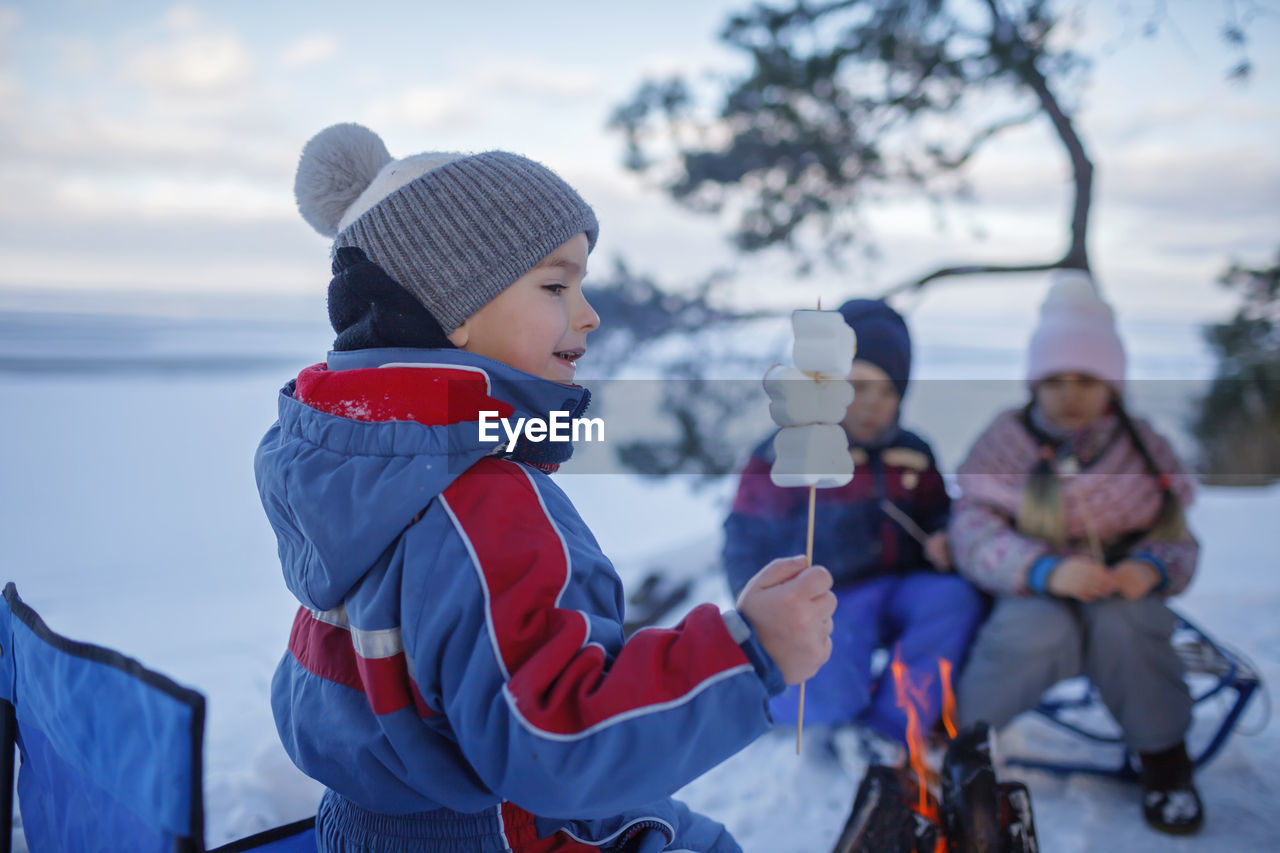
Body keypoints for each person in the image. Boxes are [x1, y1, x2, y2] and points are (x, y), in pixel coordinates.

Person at [256, 123, 836, 852]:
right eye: (556, 285)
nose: (589, 314)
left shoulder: (358, 467)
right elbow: (553, 739)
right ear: (454, 309)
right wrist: (750, 651)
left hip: (373, 823)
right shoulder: (480, 499)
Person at [949, 269, 1204, 835]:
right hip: (1035, 586)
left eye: (1086, 379)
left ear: (1112, 383)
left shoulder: (1141, 444)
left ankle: (1164, 759)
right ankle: (960, 743)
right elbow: (972, 530)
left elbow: (1176, 535)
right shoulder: (1008, 440)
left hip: (1119, 588)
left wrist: (1151, 567)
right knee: (1028, 631)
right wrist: (1042, 569)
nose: (1070, 394)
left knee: (1132, 627)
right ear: (1034, 382)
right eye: (1055, 379)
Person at [722, 299, 986, 754]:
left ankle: (891, 724)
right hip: (826, 596)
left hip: (901, 586)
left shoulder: (913, 450)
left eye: (888, 392)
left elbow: (937, 511)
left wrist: (943, 536)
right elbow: (745, 539)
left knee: (954, 600)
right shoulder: (788, 451)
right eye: (860, 386)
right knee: (830, 691)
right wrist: (763, 614)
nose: (872, 405)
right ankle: (775, 700)